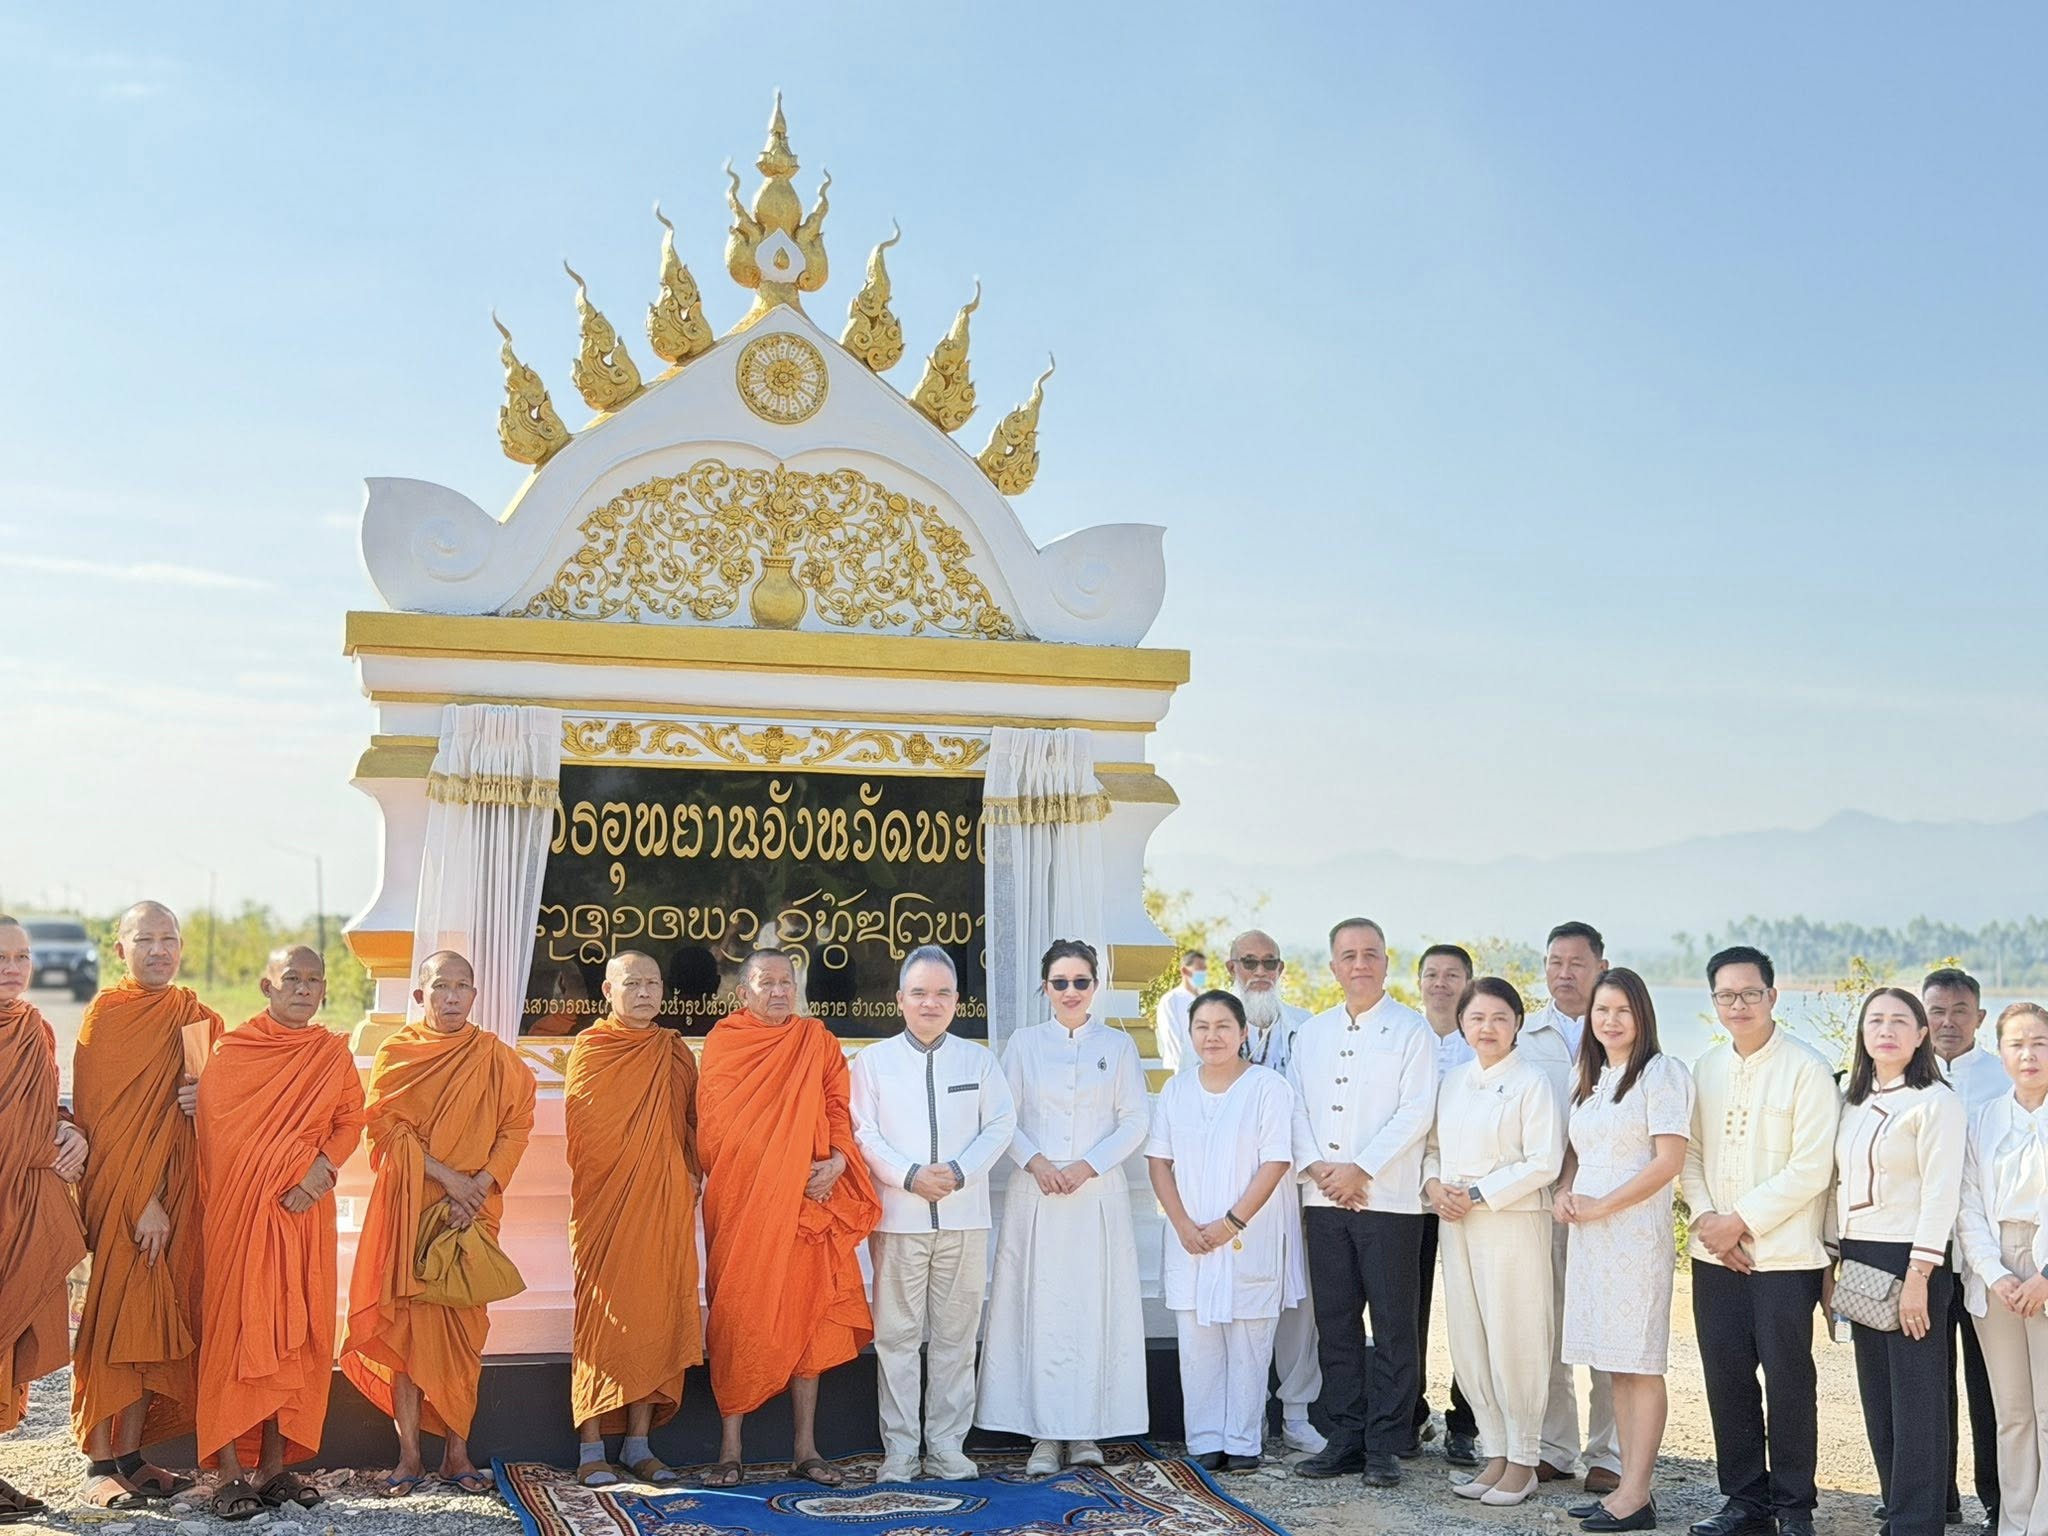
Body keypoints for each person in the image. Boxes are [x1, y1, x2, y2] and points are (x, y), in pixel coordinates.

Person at [341, 950, 537, 1497]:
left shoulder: (497, 1059)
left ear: (475, 996)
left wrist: (480, 1184)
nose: (452, 997)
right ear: (420, 995)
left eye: (462, 987)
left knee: (463, 1334)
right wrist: (452, 1179)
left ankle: (456, 1452)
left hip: (473, 1215)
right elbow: (382, 1132)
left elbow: (517, 1126)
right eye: (441, 987)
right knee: (406, 1334)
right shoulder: (399, 1052)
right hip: (412, 1209)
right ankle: (408, 1456)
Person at [698, 950, 880, 1487]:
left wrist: (839, 1161)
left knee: (810, 1313)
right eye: (766, 982)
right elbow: (716, 1134)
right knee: (736, 1316)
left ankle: (806, 1448)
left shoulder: (816, 1042)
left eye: (787, 982)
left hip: (809, 1203)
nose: (779, 991)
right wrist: (779, 1169)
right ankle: (730, 1449)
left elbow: (838, 1109)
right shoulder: (726, 1043)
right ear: (742, 992)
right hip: (746, 1203)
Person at [195, 946, 365, 1517]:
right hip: (243, 1218)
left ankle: (272, 1467)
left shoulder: (329, 1054)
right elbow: (221, 1139)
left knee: (296, 1332)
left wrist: (318, 1175)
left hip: (302, 1214)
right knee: (239, 1331)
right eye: (291, 978)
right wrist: (298, 1166)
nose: (303, 988)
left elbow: (350, 1121)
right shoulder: (234, 1052)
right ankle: (227, 1474)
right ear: (267, 986)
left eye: (314, 980)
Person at [71, 900, 223, 1507]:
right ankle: (97, 1463)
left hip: (176, 1191)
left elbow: (208, 1098)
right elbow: (96, 1124)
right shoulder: (106, 1018)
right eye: (145, 939)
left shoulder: (194, 1018)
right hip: (122, 1197)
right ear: (121, 950)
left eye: (170, 939)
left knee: (157, 1321)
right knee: (116, 1320)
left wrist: (202, 1103)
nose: (159, 950)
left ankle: (132, 1457)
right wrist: (141, 1203)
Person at [1681, 945, 1837, 1536]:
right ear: (1714, 1001)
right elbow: (1688, 1155)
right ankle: (1745, 1502)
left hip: (1785, 1256)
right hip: (1713, 1254)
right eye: (1726, 995)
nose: (1738, 1004)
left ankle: (1794, 1507)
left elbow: (1811, 1168)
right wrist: (1710, 1223)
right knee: (1727, 1377)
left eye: (1750, 993)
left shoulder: (1807, 1068)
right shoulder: (1707, 1068)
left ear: (1773, 996)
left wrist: (1739, 1220)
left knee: (1791, 1381)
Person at [978, 939, 1149, 1476]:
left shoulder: (1118, 1048)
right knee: (1040, 1312)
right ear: (1045, 988)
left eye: (1081, 982)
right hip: (1039, 1200)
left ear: (1095, 986)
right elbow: (1003, 1118)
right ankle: (1043, 1436)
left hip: (1096, 1199)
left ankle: (1088, 1432)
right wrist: (1037, 1163)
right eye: (1060, 983)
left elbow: (1135, 1120)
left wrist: (1087, 1165)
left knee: (1095, 1310)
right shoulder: (1025, 1045)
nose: (1070, 992)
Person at [850, 945, 1016, 1482]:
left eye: (942, 993)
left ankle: (947, 1446)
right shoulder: (873, 1063)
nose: (930, 1003)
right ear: (900, 1000)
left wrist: (960, 1172)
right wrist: (910, 1175)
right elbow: (863, 1133)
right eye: (919, 992)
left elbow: (1000, 1125)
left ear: (957, 1002)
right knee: (896, 1336)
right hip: (898, 1219)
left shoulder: (979, 1061)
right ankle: (900, 1450)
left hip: (965, 1219)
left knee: (955, 1336)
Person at [1288, 917, 1435, 1488]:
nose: (1359, 964)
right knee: (1336, 1322)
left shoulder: (1411, 1030)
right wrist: (1321, 1170)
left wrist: (1361, 1168)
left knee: (1396, 1325)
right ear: (1332, 966)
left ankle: (1386, 1443)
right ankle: (1344, 1436)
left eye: (1370, 953)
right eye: (1348, 955)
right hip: (1323, 1198)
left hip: (1388, 1200)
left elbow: (1416, 1110)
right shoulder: (1314, 1033)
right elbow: (1295, 1106)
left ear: (1385, 961)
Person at [1555, 968, 1694, 1532]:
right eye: (1602, 1010)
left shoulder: (1662, 1075)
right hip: (1590, 1231)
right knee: (1613, 1363)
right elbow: (1575, 1151)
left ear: (1642, 1017)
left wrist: (1603, 1204)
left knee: (1639, 1363)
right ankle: (1628, 1488)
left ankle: (1636, 1492)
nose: (1610, 1021)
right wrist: (1567, 1190)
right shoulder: (1587, 1076)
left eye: (1622, 1011)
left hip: (1634, 1232)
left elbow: (1669, 1162)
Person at [1421, 976, 1564, 1508]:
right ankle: (1496, 1452)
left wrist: (1478, 1193)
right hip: (1457, 1224)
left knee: (1516, 1334)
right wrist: (1436, 1187)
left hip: (1511, 1223)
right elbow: (1432, 1148)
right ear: (1461, 1024)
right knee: (1470, 1337)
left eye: (1500, 1018)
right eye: (1477, 1018)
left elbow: (1544, 1161)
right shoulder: (1454, 1081)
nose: (1488, 1028)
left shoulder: (1531, 1083)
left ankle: (1525, 1459)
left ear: (1518, 1025)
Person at [1828, 988, 1966, 1536]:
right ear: (1863, 1032)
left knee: (1918, 1397)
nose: (1885, 1030)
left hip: (1913, 1257)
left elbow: (1941, 1195)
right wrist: (1833, 1260)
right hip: (1860, 1251)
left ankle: (1917, 1520)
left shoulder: (1936, 1101)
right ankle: (1907, 1502)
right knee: (1879, 1392)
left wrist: (1918, 1277)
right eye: (1875, 1020)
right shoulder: (1852, 1098)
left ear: (1921, 1034)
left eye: (1899, 1021)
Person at [1148, 990, 1304, 1472]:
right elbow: (1159, 1161)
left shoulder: (1267, 1088)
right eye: (1201, 1027)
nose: (1211, 1036)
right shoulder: (1177, 1090)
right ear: (1190, 1033)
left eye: (1222, 1026)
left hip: (1247, 1235)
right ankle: (1205, 1440)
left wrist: (1230, 1222)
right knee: (1197, 1344)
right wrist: (1182, 1225)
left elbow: (1276, 1160)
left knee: (1250, 1341)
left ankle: (1242, 1440)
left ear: (1243, 1033)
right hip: (1189, 1236)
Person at [563, 952, 701, 1486]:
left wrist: (686, 1171)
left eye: (653, 983)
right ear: (607, 990)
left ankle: (639, 1445)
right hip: (609, 1206)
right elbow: (586, 1137)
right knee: (603, 1316)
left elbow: (691, 1124)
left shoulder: (672, 1052)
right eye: (632, 983)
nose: (644, 993)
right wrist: (632, 1172)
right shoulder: (592, 1048)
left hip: (664, 1203)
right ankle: (591, 1446)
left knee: (657, 1314)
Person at [1524, 920, 1620, 1493]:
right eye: (1555, 962)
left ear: (1601, 968)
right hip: (1540, 1204)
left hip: (1606, 1203)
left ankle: (1608, 1449)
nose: (1564, 974)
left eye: (1577, 963)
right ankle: (1554, 1445)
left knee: (1608, 1328)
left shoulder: (1620, 1032)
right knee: (1549, 1325)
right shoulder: (1525, 1033)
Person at [0, 916, 88, 1523]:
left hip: (20, 1208)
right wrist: (42, 1139)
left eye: (21, 957)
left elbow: (43, 1105)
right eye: (1, 957)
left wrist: (68, 1130)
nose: (12, 968)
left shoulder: (35, 1029)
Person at [1225, 928, 1324, 1456]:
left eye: (1270, 963)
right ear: (1230, 969)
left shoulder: (1306, 1029)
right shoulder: (1214, 1025)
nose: (1260, 971)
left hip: (1292, 1189)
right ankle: (1242, 1413)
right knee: (1238, 1303)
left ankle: (1297, 1411)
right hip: (1229, 1194)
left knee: (1296, 1302)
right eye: (1249, 962)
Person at [1956, 1002, 2048, 1536]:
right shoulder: (1985, 1117)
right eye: (2016, 1043)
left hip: (2044, 1265)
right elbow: (1966, 1203)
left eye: (2039, 1042)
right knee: (2011, 1412)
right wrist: (1996, 1273)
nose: (2029, 1054)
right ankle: (2014, 1523)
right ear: (2002, 1051)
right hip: (1995, 1272)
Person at [1925, 967, 2005, 1530]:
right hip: (1924, 1257)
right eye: (1936, 1011)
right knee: (1928, 1384)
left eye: (1959, 1011)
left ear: (1979, 1017)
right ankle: (1935, 1496)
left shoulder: (2005, 1079)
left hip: (1985, 1256)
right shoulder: (1906, 1074)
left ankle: (2001, 1497)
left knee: (1991, 1384)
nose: (1948, 1022)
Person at [1415, 941, 1481, 1468]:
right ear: (1418, 982)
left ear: (1467, 982)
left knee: (1469, 1311)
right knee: (1408, 1312)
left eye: (1452, 974)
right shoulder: (1404, 1036)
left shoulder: (1481, 1038)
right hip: (1409, 1196)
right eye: (1432, 973)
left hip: (1466, 1199)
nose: (1441, 983)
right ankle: (1411, 1413)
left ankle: (1467, 1422)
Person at [1155, 949, 1208, 1076]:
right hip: (1180, 1073)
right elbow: (1171, 1039)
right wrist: (1182, 1073)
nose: (1203, 974)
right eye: (1199, 970)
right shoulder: (1171, 1000)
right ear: (1185, 971)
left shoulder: (1208, 1000)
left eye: (1204, 970)